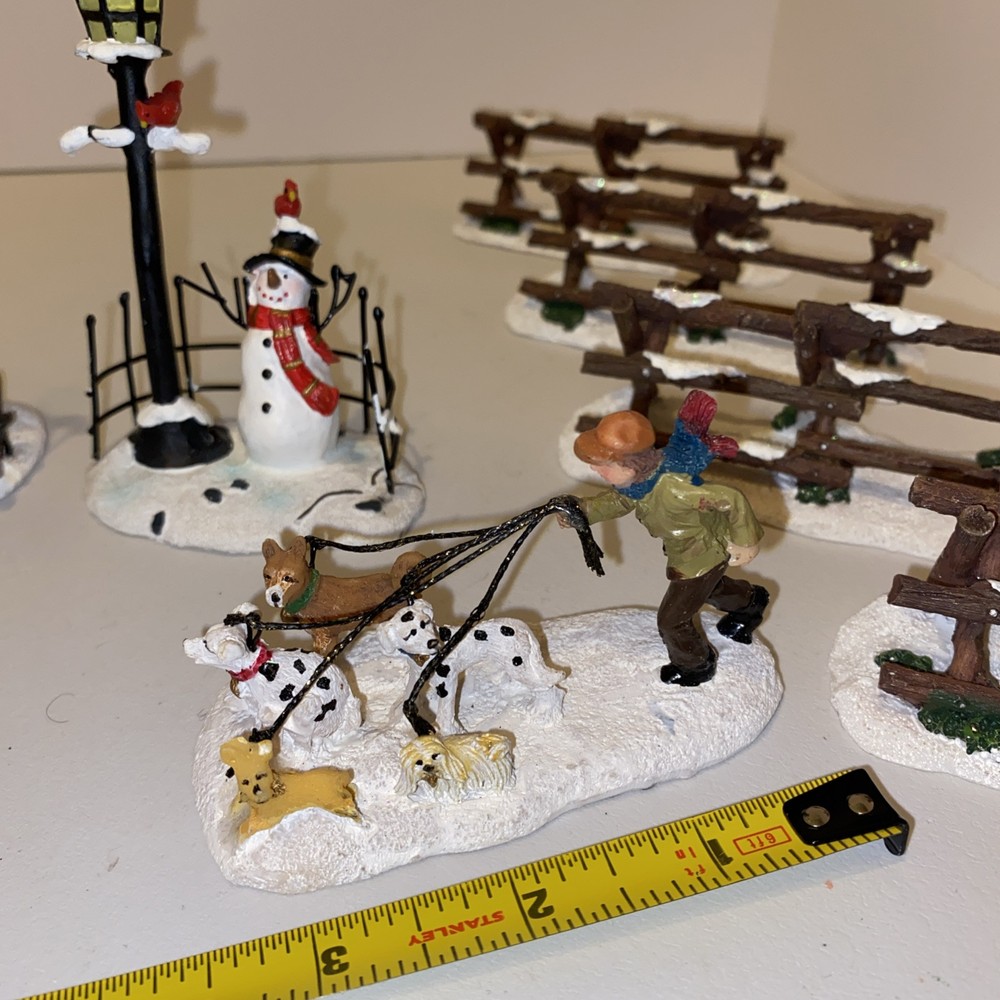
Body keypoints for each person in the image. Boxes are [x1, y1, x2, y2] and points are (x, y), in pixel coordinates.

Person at [572, 391, 769, 686]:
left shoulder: (675, 489)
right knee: (712, 590)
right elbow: (618, 502)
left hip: (701, 557)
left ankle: (695, 665)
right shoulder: (639, 484)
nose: (594, 469)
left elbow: (731, 498)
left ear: (629, 466)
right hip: (686, 553)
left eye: (602, 465)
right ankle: (750, 603)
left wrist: (746, 541)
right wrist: (582, 511)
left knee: (672, 620)